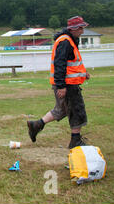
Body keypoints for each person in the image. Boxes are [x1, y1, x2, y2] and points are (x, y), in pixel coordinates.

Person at [27, 16, 91, 149]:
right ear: (73, 28)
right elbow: (59, 64)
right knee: (76, 110)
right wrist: (61, 86)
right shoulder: (65, 42)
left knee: (61, 110)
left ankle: (36, 125)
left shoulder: (69, 40)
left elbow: (69, 63)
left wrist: (83, 74)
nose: (82, 31)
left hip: (67, 83)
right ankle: (75, 141)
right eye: (80, 28)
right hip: (67, 84)